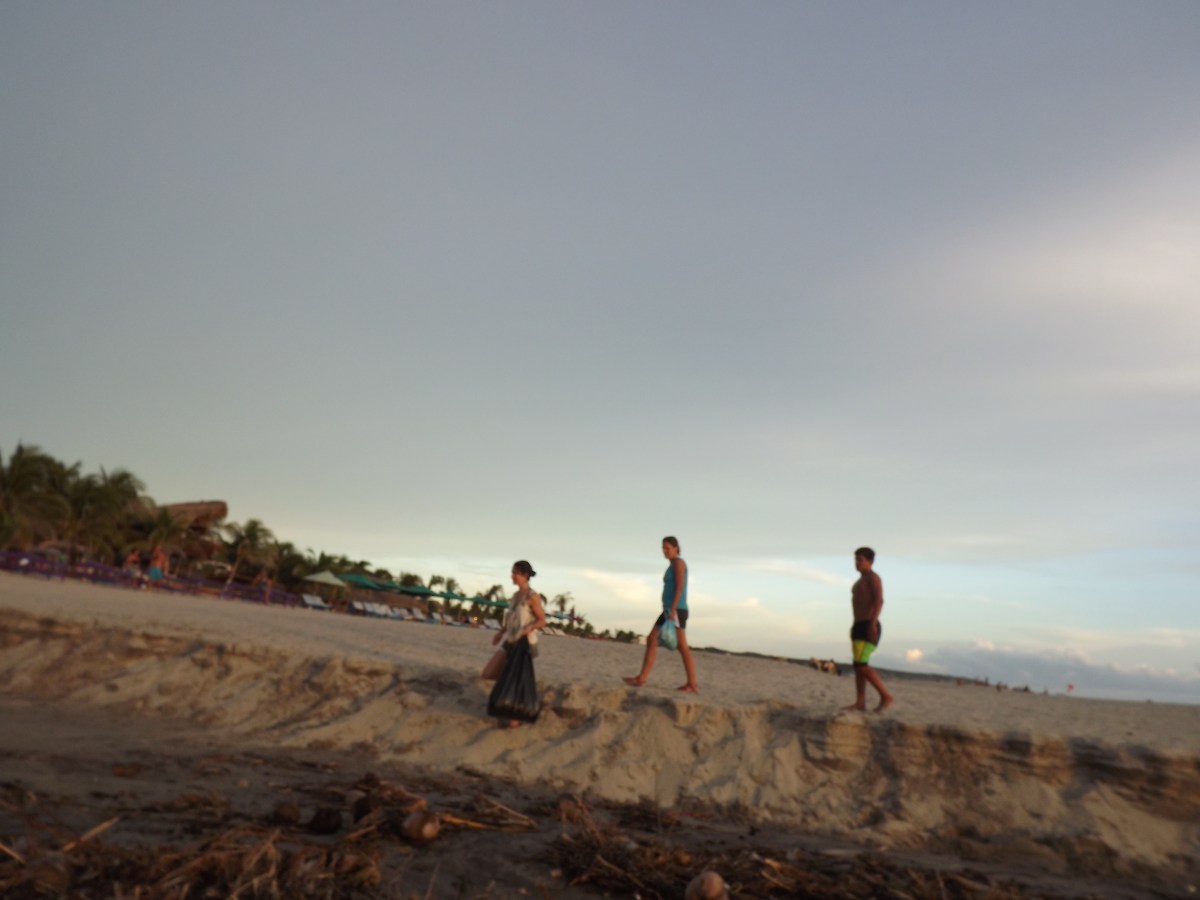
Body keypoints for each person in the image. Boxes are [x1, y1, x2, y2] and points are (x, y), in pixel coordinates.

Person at [623, 536, 699, 692]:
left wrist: (673, 610)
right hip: (669, 610)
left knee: (682, 646)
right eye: (663, 548)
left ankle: (691, 684)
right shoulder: (672, 565)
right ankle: (642, 678)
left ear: (676, 548)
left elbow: (679, 587)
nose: (665, 551)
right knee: (652, 639)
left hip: (676, 610)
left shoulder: (678, 563)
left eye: (668, 548)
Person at [481, 560, 547, 726]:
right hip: (510, 641)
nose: (512, 576)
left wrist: (530, 627)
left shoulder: (532, 596)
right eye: (512, 572)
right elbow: (510, 619)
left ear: (525, 575)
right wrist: (500, 633)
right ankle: (512, 690)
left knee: (516, 678)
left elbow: (542, 620)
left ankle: (514, 722)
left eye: (515, 573)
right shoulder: (515, 596)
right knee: (488, 673)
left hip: (524, 644)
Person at [843, 546, 893, 712]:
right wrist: (854, 626)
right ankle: (860, 702)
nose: (857, 563)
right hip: (858, 625)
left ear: (870, 561)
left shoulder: (873, 578)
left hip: (868, 624)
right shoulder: (859, 581)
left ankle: (886, 696)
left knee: (861, 664)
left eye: (860, 560)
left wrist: (872, 623)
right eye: (855, 559)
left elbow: (879, 601)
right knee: (857, 666)